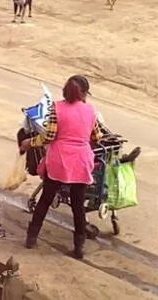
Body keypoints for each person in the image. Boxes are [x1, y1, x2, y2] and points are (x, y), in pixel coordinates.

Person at [19, 75, 102, 259]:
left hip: (59, 161)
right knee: (78, 206)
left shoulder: (57, 107)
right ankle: (79, 248)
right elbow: (97, 137)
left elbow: (48, 137)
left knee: (45, 199)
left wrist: (29, 142)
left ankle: (31, 239)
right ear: (84, 94)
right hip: (81, 162)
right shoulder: (90, 111)